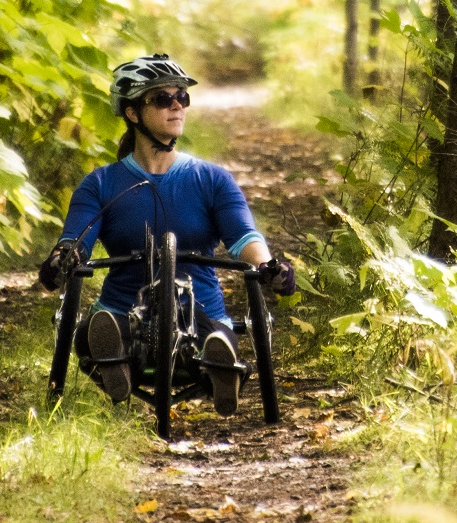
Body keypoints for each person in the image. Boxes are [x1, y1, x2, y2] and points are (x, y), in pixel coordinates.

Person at [38, 54, 296, 416]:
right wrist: (62, 258)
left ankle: (216, 365)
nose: (177, 105)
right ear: (132, 113)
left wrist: (269, 266)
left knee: (208, 336)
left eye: (182, 98)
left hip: (199, 312)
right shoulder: (100, 183)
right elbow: (77, 239)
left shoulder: (212, 179)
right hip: (123, 312)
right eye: (163, 99)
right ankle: (118, 363)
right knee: (97, 329)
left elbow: (243, 237)